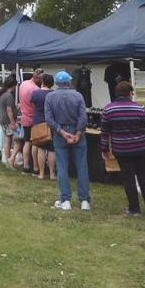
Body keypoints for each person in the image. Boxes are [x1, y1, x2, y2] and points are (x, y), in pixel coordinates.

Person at [100, 81, 145, 217]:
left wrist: (104, 149)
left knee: (128, 179)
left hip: (121, 149)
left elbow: (105, 132)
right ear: (130, 93)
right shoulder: (139, 108)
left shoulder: (108, 109)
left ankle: (134, 209)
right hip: (141, 148)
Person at [45, 71, 91, 211]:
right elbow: (83, 117)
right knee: (82, 166)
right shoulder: (78, 95)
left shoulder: (50, 96)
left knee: (62, 167)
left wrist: (63, 133)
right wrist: (77, 133)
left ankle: (65, 200)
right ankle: (84, 201)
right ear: (69, 82)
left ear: (57, 83)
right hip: (77, 132)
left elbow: (49, 119)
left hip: (60, 133)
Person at [31, 74, 56, 180]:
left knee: (40, 148)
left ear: (43, 82)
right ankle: (52, 174)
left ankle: (41, 173)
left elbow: (33, 106)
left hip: (38, 122)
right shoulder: (54, 94)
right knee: (51, 149)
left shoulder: (36, 93)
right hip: (51, 123)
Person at [18, 69, 43, 174]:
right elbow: (36, 105)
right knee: (35, 143)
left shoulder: (23, 84)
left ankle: (26, 165)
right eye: (41, 79)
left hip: (24, 117)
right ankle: (35, 167)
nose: (42, 81)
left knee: (27, 142)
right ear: (37, 77)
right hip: (33, 118)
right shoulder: (35, 89)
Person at [0, 76, 19, 168]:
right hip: (8, 121)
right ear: (13, 86)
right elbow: (9, 110)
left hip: (3, 120)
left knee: (7, 140)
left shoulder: (3, 95)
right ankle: (11, 159)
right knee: (18, 138)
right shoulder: (9, 96)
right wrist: (13, 123)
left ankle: (7, 159)